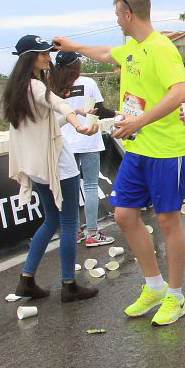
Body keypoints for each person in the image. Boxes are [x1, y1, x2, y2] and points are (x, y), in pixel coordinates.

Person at [53, 0, 185, 327]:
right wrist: (73, 46)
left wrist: (139, 121)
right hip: (137, 149)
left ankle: (176, 296)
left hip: (167, 150)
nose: (116, 20)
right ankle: (154, 286)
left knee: (167, 221)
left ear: (128, 14)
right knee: (124, 215)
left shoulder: (161, 48)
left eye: (117, 14)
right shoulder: (131, 48)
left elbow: (180, 92)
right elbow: (105, 53)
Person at [5, 35, 100, 302]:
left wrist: (73, 118)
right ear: (29, 58)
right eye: (42, 53)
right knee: (69, 223)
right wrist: (76, 119)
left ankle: (27, 278)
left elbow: (45, 124)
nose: (48, 57)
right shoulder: (35, 86)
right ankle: (69, 284)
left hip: (37, 167)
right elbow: (59, 103)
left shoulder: (16, 89)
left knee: (51, 220)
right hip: (57, 164)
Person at [49, 51, 115, 248]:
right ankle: (93, 233)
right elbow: (100, 111)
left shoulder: (51, 86)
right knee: (91, 186)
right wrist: (118, 113)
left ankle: (74, 232)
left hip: (64, 141)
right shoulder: (88, 83)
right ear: (76, 64)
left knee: (70, 189)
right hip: (88, 136)